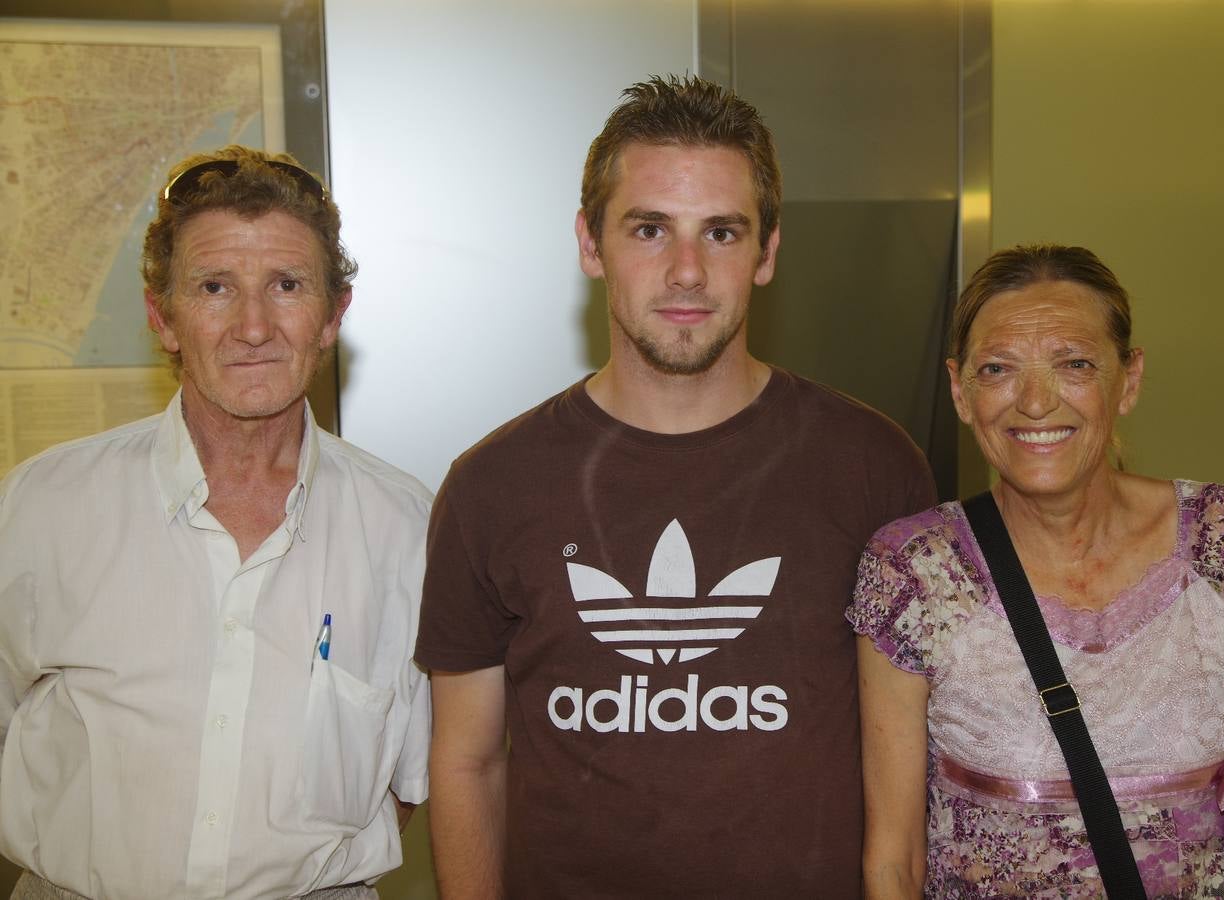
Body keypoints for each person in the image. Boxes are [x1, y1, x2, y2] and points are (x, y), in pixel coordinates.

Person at [415, 75, 936, 898]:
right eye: (649, 229)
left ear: (767, 252)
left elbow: (906, 761)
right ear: (590, 244)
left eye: (722, 232)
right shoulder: (491, 486)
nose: (687, 271)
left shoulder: (874, 465)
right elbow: (468, 762)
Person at [0, 147, 432, 899]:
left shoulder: (407, 528)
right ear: (162, 317)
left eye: (287, 286)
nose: (254, 326)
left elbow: (415, 778)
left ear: (333, 315)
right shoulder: (41, 507)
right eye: (214, 287)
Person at [849, 243, 1224, 898]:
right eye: (998, 369)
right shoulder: (916, 570)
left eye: (1074, 364)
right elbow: (893, 860)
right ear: (961, 392)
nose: (1036, 402)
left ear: (1128, 381)